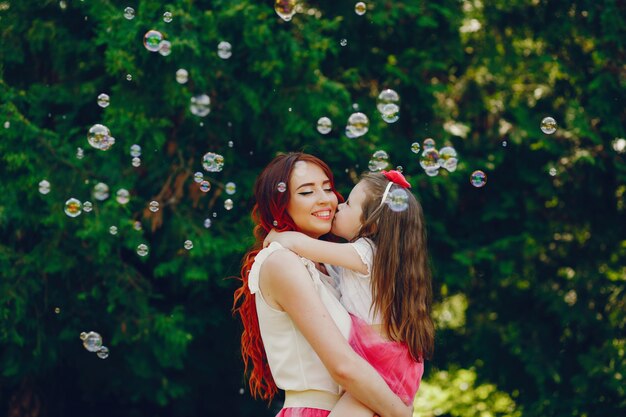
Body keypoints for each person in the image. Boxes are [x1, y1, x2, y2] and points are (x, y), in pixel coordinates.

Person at [232, 153, 413, 417]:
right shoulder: (282, 262)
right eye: (307, 192)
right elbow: (343, 367)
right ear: (279, 204)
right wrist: (403, 413)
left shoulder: (334, 268)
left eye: (327, 188)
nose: (326, 199)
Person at [263, 169, 435, 417]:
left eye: (349, 204)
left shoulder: (364, 253)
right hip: (385, 363)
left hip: (381, 364)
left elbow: (304, 246)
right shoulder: (363, 261)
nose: (339, 206)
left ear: (371, 223)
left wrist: (280, 236)